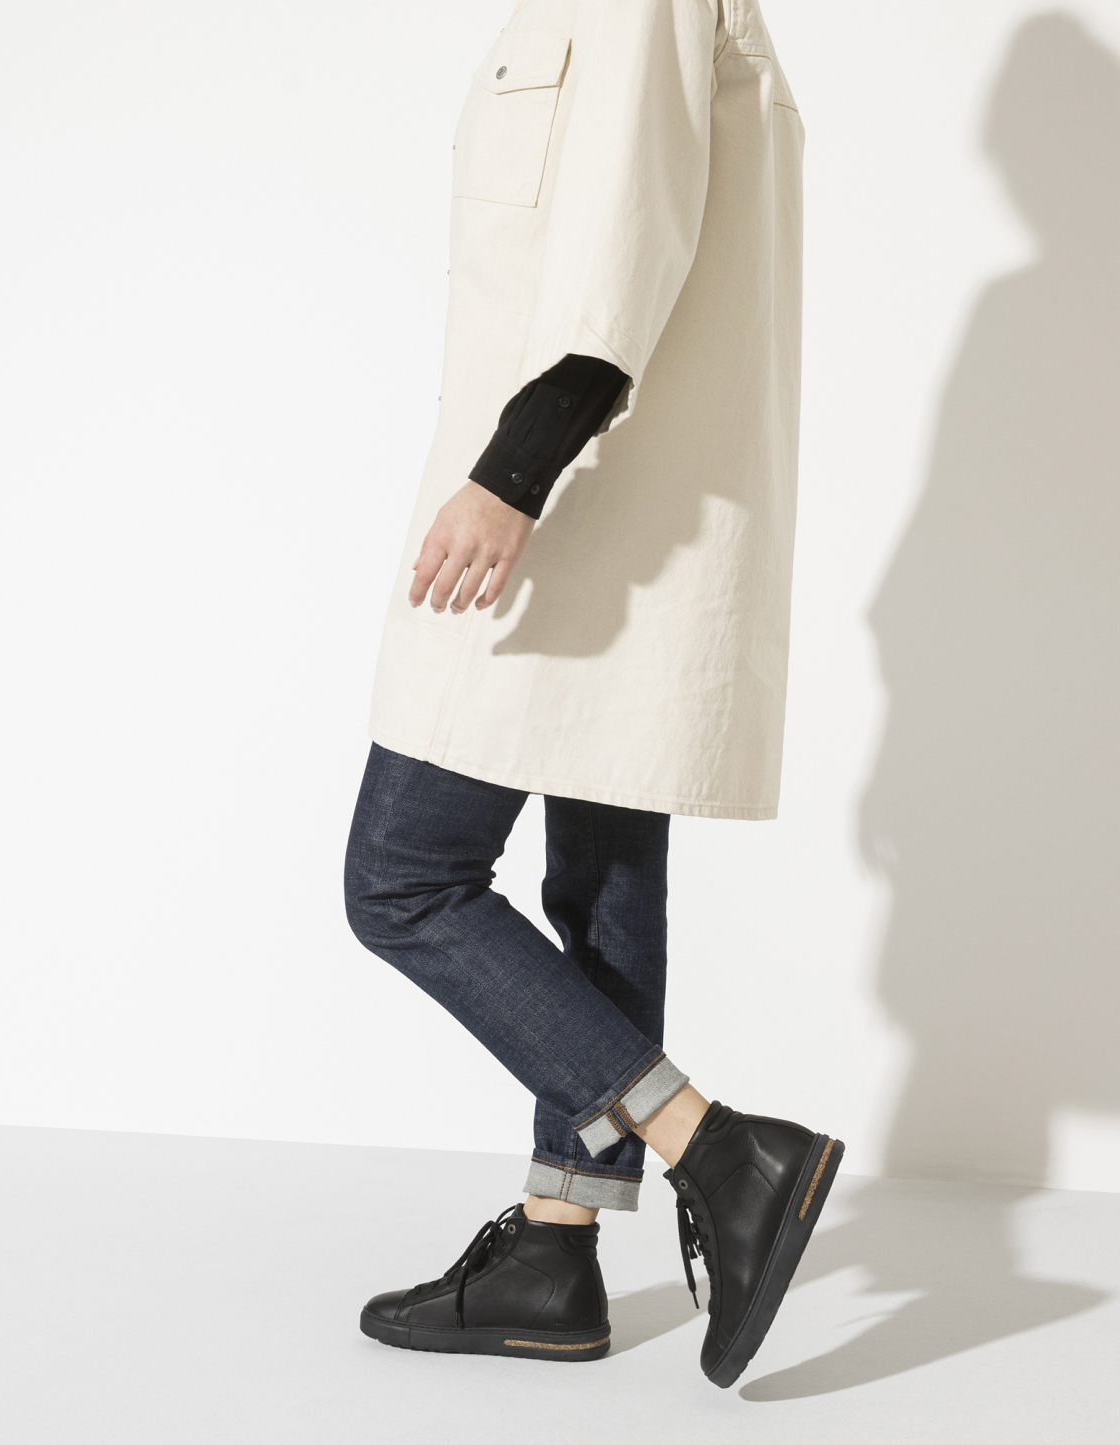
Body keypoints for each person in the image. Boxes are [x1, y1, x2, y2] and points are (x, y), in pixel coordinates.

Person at [344, 0, 841, 1388]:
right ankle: (558, 1252)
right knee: (602, 877)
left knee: (403, 878)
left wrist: (513, 473)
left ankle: (721, 1154)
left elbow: (625, 234)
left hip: (573, 506)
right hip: (626, 515)